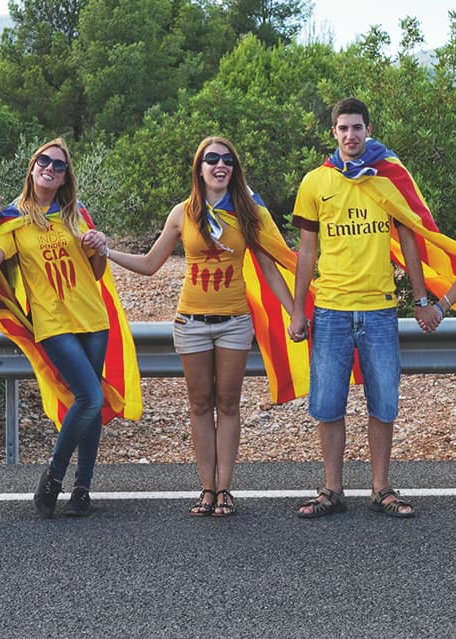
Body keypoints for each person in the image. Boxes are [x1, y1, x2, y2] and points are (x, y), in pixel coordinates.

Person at [96, 137, 297, 517]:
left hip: (235, 322)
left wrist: (294, 313)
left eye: (227, 160)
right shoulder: (182, 213)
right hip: (191, 323)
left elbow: (269, 267)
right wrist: (106, 252)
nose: (219, 165)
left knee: (228, 403)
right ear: (199, 168)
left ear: (234, 169)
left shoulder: (248, 213)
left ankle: (226, 489)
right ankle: (206, 488)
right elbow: (151, 263)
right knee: (200, 404)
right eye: (211, 159)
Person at [289, 98, 433, 519]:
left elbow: (409, 238)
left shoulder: (386, 177)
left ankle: (381, 488)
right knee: (328, 403)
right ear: (333, 132)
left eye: (357, 128)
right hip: (331, 308)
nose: (350, 135)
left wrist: (422, 300)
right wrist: (299, 310)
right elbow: (306, 250)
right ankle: (332, 489)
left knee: (383, 402)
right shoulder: (316, 182)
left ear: (368, 129)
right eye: (343, 128)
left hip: (379, 309)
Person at [0, 138, 111, 518]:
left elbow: (96, 273)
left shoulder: (76, 213)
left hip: (93, 319)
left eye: (59, 165)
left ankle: (82, 488)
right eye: (44, 161)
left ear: (65, 177)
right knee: (89, 398)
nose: (50, 168)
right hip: (53, 323)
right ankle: (54, 477)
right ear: (32, 167)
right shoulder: (14, 218)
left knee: (92, 404)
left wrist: (100, 246)